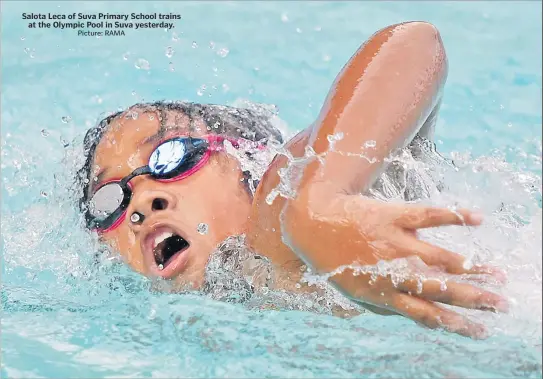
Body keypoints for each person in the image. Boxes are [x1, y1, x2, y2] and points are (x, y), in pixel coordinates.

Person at [76, 21, 508, 339]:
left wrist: (320, 203)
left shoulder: (281, 208)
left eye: (170, 157)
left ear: (249, 158)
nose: (141, 202)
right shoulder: (201, 325)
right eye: (108, 200)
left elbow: (414, 45)